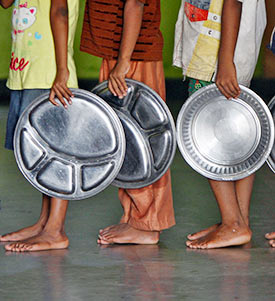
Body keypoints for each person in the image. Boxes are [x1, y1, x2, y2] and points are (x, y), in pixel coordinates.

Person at [80, 0, 176, 244]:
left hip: (133, 55)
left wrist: (124, 62)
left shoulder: (129, 57)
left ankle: (148, 224)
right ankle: (134, 215)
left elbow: (135, 3)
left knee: (143, 142)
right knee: (124, 140)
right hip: (119, 50)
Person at [173, 0, 266, 249]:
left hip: (215, 55)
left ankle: (232, 221)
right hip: (228, 49)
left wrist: (225, 61)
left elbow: (233, 3)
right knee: (239, 133)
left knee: (207, 136)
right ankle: (238, 220)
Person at [0, 0, 79, 252]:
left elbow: (60, 10)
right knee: (40, 156)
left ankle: (56, 231)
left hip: (49, 72)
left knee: (56, 154)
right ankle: (44, 223)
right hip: (25, 70)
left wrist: (62, 71)